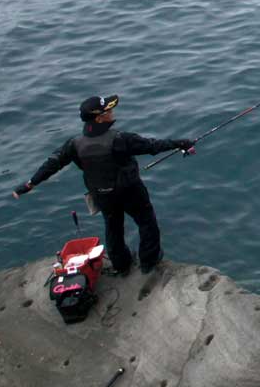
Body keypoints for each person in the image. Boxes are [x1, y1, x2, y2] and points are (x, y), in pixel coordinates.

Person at [12, 93, 194, 276]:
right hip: (130, 190)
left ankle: (121, 265)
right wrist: (181, 143)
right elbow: (153, 146)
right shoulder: (120, 139)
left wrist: (30, 184)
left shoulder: (74, 144)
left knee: (113, 227)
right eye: (108, 110)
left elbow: (52, 164)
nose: (112, 111)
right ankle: (149, 261)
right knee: (146, 221)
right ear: (99, 118)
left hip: (102, 194)